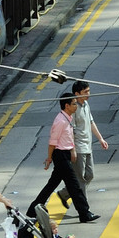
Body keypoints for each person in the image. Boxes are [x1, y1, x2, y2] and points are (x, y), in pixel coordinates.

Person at [31, 93, 99, 223]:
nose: (76, 106)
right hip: (60, 155)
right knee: (75, 185)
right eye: (74, 104)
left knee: (51, 185)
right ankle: (84, 213)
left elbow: (68, 137)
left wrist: (72, 150)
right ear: (66, 106)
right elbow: (52, 142)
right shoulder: (60, 121)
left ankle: (32, 210)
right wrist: (49, 158)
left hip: (66, 154)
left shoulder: (68, 118)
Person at [56, 81, 107, 210]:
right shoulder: (73, 109)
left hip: (87, 145)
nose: (88, 94)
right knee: (81, 180)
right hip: (78, 147)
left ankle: (64, 193)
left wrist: (100, 138)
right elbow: (70, 131)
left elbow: (91, 122)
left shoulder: (86, 104)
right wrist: (73, 150)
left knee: (89, 175)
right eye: (85, 92)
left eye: (88, 91)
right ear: (76, 93)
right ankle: (85, 209)